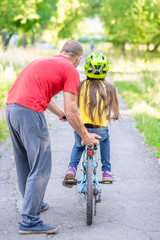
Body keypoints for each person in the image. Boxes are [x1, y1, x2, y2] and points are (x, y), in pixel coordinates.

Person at [6, 40, 101, 235]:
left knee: (25, 163)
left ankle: (33, 205)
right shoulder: (71, 70)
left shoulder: (43, 61)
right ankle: (30, 221)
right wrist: (85, 136)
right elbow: (72, 109)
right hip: (30, 111)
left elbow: (47, 98)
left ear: (61, 52)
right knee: (41, 166)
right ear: (78, 59)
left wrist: (60, 114)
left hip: (11, 108)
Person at [62, 52, 120, 188]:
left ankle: (71, 169)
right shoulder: (110, 88)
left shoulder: (80, 86)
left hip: (81, 127)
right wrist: (109, 116)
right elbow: (115, 113)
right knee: (105, 141)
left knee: (78, 145)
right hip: (100, 129)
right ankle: (106, 171)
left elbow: (73, 106)